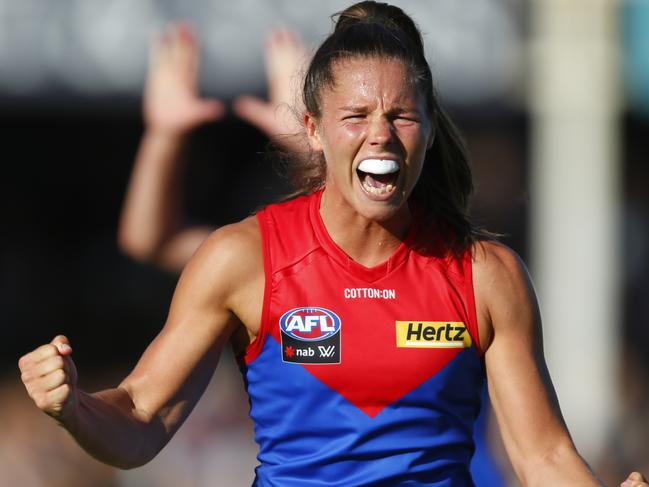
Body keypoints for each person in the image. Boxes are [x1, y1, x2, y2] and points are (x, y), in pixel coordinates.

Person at [17, 2, 648, 486]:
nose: (382, 136)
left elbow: (542, 455)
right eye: (356, 117)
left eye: (402, 116)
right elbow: (140, 418)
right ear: (313, 130)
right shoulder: (244, 258)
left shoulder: (486, 273)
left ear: (429, 127)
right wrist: (74, 406)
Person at [118, 22, 307, 271]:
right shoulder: (281, 263)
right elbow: (150, 242)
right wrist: (163, 137)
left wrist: (309, 145)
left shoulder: (370, 249)